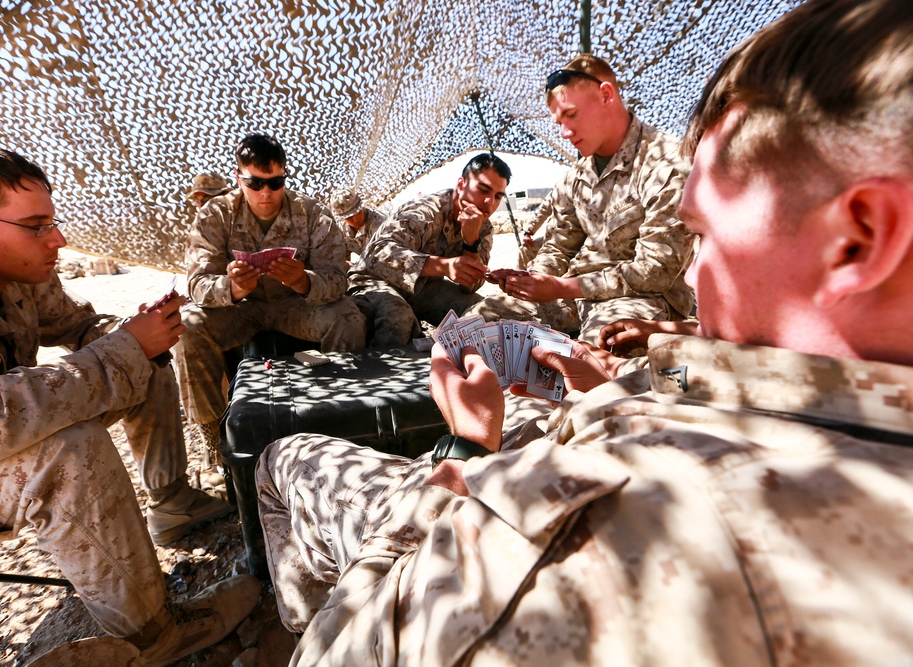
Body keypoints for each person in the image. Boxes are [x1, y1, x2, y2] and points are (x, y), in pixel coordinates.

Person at [255, 0, 913, 663]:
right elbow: (687, 370)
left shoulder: (638, 538)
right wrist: (607, 387)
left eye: (707, 234)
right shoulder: (746, 372)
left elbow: (350, 646)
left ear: (858, 239)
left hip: (474, 493)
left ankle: (291, 614)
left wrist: (464, 447)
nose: (693, 270)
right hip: (597, 388)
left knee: (280, 459)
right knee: (482, 334)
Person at [0, 144, 259, 665]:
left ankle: (172, 503)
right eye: (36, 226)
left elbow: (77, 326)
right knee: (67, 448)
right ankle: (155, 636)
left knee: (146, 359)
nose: (58, 239)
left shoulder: (15, 264)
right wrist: (121, 350)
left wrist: (131, 336)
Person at [466, 54, 696, 345]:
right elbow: (559, 244)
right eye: (559, 121)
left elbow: (656, 271)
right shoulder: (576, 177)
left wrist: (561, 286)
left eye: (571, 115)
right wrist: (531, 281)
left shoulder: (666, 162)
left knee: (605, 348)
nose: (565, 133)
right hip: (572, 294)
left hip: (638, 300)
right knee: (477, 322)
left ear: (606, 95)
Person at [173, 132, 365, 453]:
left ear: (285, 176)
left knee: (348, 317)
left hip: (294, 306)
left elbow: (337, 280)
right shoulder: (214, 215)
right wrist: (230, 288)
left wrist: (304, 281)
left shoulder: (312, 213)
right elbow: (196, 284)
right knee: (187, 329)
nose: (266, 193)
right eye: (255, 183)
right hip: (240, 309)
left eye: (276, 183)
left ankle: (341, 414)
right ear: (238, 177)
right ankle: (215, 440)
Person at [347, 153, 511, 347]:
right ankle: (379, 374)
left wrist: (471, 242)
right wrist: (443, 266)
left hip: (424, 288)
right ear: (461, 184)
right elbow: (378, 254)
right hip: (373, 281)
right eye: (483, 190)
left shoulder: (483, 227)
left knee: (484, 313)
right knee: (397, 318)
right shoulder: (425, 211)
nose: (489, 202)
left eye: (497, 196)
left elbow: (471, 286)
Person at [327, 186, 388, 258]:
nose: (355, 219)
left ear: (361, 207)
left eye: (357, 212)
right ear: (342, 218)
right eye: (349, 217)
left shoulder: (380, 223)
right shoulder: (341, 229)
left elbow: (386, 256)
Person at [516, 189, 554, 269]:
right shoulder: (561, 189)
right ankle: (521, 279)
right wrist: (529, 232)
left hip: (580, 239)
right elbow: (543, 210)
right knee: (526, 249)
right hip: (555, 237)